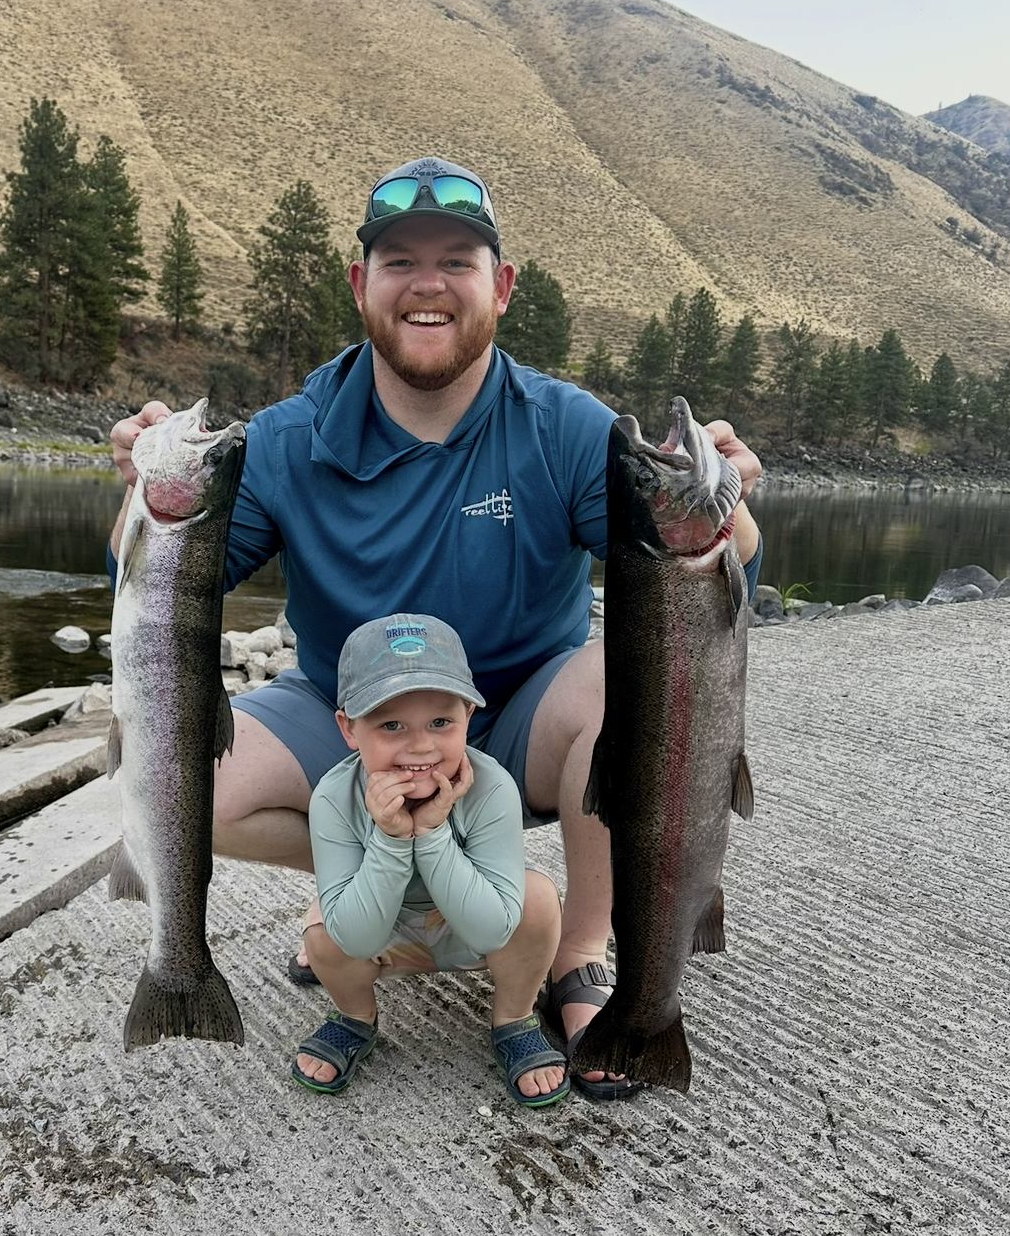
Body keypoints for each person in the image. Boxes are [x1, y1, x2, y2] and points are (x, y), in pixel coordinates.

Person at [109, 155, 763, 1098]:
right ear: (360, 285)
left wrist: (729, 511)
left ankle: (579, 955)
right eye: (399, 261)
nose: (428, 284)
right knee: (181, 784)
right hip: (350, 720)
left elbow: (697, 607)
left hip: (519, 720)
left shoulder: (569, 428)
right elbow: (158, 598)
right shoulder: (290, 437)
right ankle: (378, 881)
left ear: (499, 286)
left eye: (457, 260)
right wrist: (138, 507)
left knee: (629, 677)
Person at [293, 612, 567, 1105]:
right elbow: (357, 937)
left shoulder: (492, 787)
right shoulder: (334, 799)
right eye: (390, 724)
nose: (420, 746)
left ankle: (513, 1017)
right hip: (385, 935)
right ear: (349, 729)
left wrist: (434, 832)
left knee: (540, 900)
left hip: (472, 931)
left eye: (441, 722)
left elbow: (492, 931)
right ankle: (356, 1017)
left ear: (469, 716)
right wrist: (393, 839)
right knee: (323, 935)